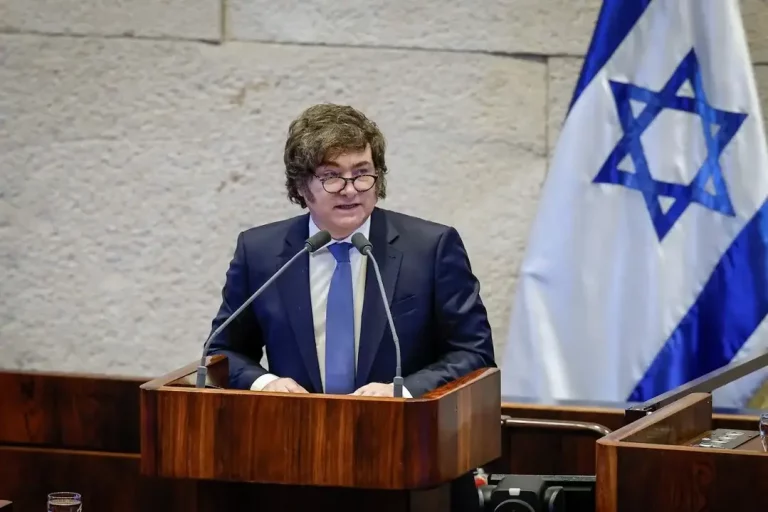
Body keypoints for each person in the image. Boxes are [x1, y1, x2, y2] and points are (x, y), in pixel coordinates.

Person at [206, 103, 495, 510]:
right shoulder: (261, 252)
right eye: (331, 176)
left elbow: (474, 354)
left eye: (362, 173)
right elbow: (221, 351)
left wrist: (405, 391)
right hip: (295, 466)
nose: (350, 189)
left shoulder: (430, 248)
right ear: (302, 185)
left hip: (410, 467)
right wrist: (265, 384)